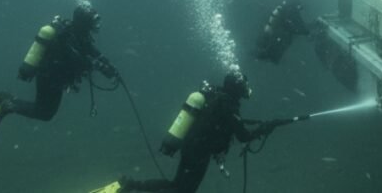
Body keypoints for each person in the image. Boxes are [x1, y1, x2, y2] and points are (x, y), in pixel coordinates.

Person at [0, 5, 118, 158]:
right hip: (49, 79)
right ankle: (6, 105)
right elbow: (78, 59)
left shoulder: (80, 35)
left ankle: (2, 98)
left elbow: (91, 51)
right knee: (44, 113)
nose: (97, 25)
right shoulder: (66, 38)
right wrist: (99, 66)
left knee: (45, 112)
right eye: (94, 21)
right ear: (83, 23)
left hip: (55, 79)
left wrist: (108, 65)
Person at [94, 70, 282, 193]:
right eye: (244, 86)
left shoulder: (216, 97)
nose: (246, 90)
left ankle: (130, 185)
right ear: (238, 88)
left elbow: (225, 124)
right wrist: (266, 128)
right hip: (199, 152)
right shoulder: (228, 106)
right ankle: (129, 187)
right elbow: (244, 135)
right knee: (182, 190)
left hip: (191, 146)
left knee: (177, 185)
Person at [254, 0, 309, 64]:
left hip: (275, 28)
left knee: (273, 42)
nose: (300, 9)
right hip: (280, 31)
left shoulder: (286, 8)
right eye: (300, 7)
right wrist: (305, 31)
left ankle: (261, 53)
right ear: (298, 6)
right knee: (279, 44)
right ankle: (268, 56)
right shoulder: (292, 10)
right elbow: (300, 23)